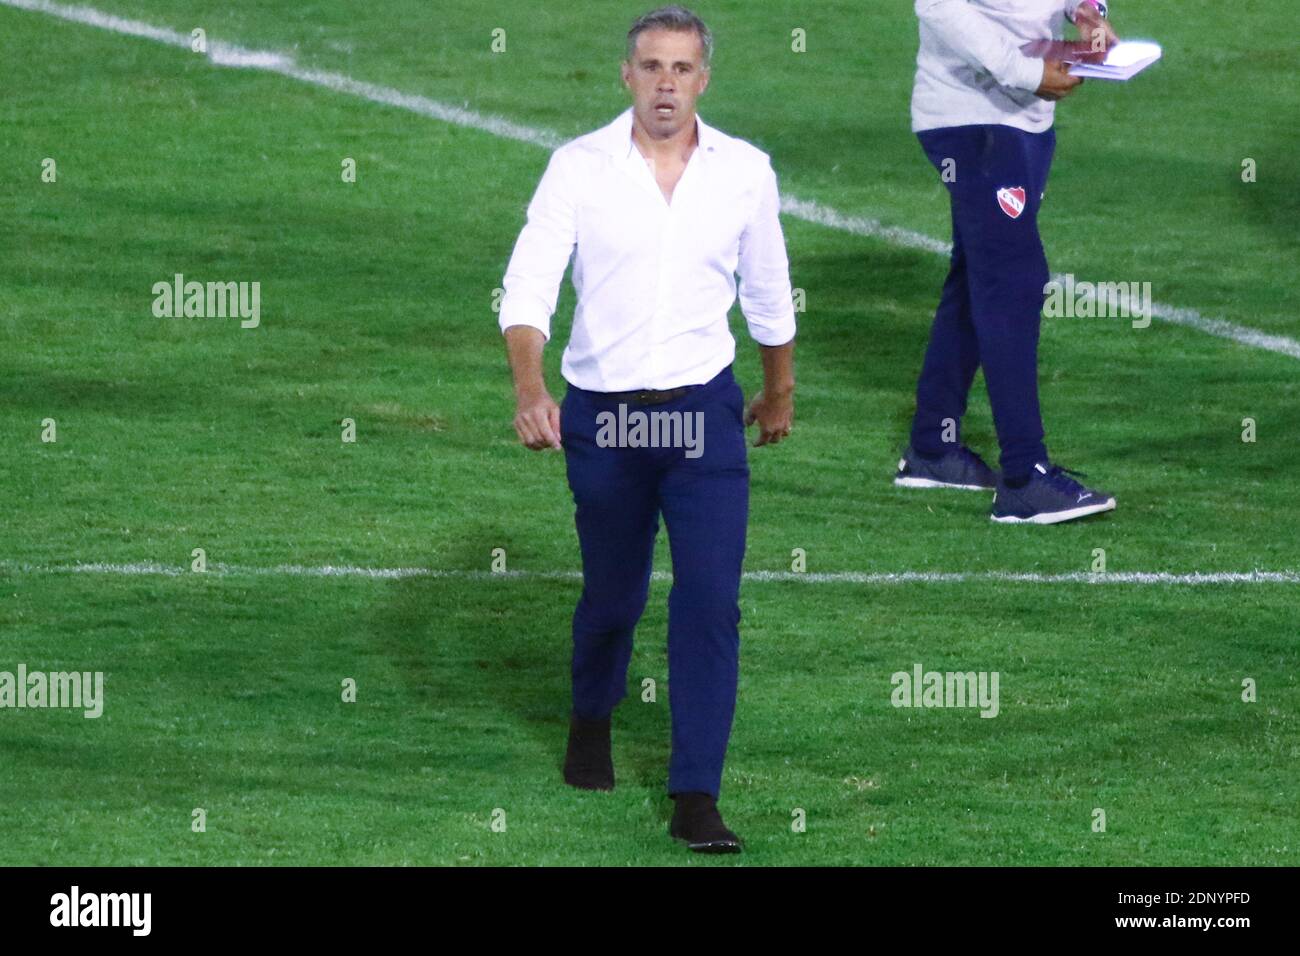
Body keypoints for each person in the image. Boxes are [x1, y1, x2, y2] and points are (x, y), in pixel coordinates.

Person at [497, 5, 797, 852]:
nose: (667, 84)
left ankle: (696, 794)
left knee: (709, 601)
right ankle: (592, 716)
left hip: (703, 416)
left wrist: (778, 394)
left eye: (682, 69)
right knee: (614, 597)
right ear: (625, 75)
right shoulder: (577, 168)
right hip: (606, 421)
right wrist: (530, 389)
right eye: (652, 67)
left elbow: (769, 294)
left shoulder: (744, 171)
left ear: (705, 80)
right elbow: (527, 292)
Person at [895, 0, 1121, 524]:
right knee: (1014, 280)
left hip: (1025, 117)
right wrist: (1025, 70)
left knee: (980, 272)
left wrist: (1088, 13)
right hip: (969, 120)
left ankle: (934, 446)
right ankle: (1024, 478)